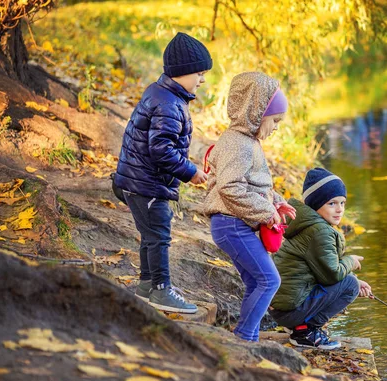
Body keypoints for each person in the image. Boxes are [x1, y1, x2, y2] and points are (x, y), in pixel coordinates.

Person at [113, 32, 212, 313]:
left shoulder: (162, 93)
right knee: (159, 236)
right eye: (199, 73)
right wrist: (190, 171)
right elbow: (160, 149)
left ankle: (146, 286)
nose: (202, 80)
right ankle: (161, 290)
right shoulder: (169, 103)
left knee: (150, 235)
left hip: (139, 180)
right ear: (181, 73)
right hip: (146, 183)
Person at [203, 71, 296, 342]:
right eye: (276, 120)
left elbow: (256, 184)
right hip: (230, 224)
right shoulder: (238, 143)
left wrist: (276, 202)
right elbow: (230, 187)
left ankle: (249, 336)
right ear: (257, 112)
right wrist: (266, 212)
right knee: (270, 280)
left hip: (235, 223)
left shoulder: (249, 142)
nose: (277, 126)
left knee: (257, 282)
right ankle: (244, 338)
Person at [269, 168, 373, 350]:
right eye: (332, 203)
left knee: (351, 282)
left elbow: (321, 270)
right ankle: (304, 331)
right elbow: (332, 275)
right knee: (349, 285)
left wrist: (355, 279)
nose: (340, 209)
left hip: (283, 306)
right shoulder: (320, 231)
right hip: (288, 309)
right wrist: (350, 262)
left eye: (342, 203)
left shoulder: (312, 225)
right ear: (316, 205)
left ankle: (299, 326)